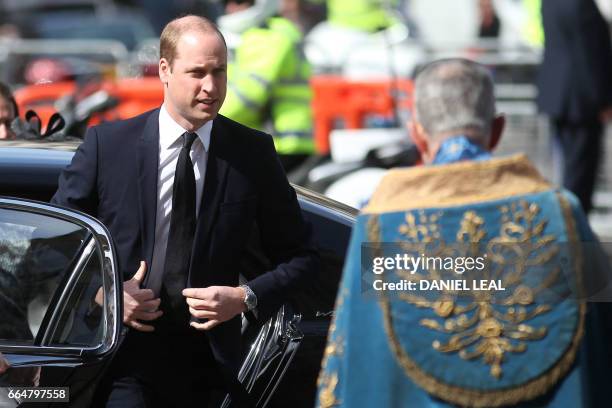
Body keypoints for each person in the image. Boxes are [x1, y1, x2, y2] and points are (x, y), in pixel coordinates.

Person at [52, 15, 318, 407]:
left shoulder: (251, 153)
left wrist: (243, 297)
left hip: (210, 363)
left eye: (220, 72)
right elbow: (55, 243)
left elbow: (302, 256)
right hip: (122, 354)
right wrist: (104, 295)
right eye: (197, 73)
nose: (211, 87)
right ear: (164, 70)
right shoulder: (108, 146)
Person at [316, 58, 611, 407]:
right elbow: (602, 341)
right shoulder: (563, 211)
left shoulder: (381, 223)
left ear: (417, 135)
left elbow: (363, 355)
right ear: (498, 129)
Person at [219, 0, 315, 172]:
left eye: (240, 1)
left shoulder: (270, 35)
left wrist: (198, 119)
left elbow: (246, 97)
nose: (230, 7)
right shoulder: (257, 33)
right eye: (225, 1)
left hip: (281, 146)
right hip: (272, 144)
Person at [537, 0, 612, 213]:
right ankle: (574, 231)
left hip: (559, 96)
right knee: (579, 175)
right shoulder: (581, 5)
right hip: (581, 101)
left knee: (568, 168)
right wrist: (602, 100)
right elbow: (589, 55)